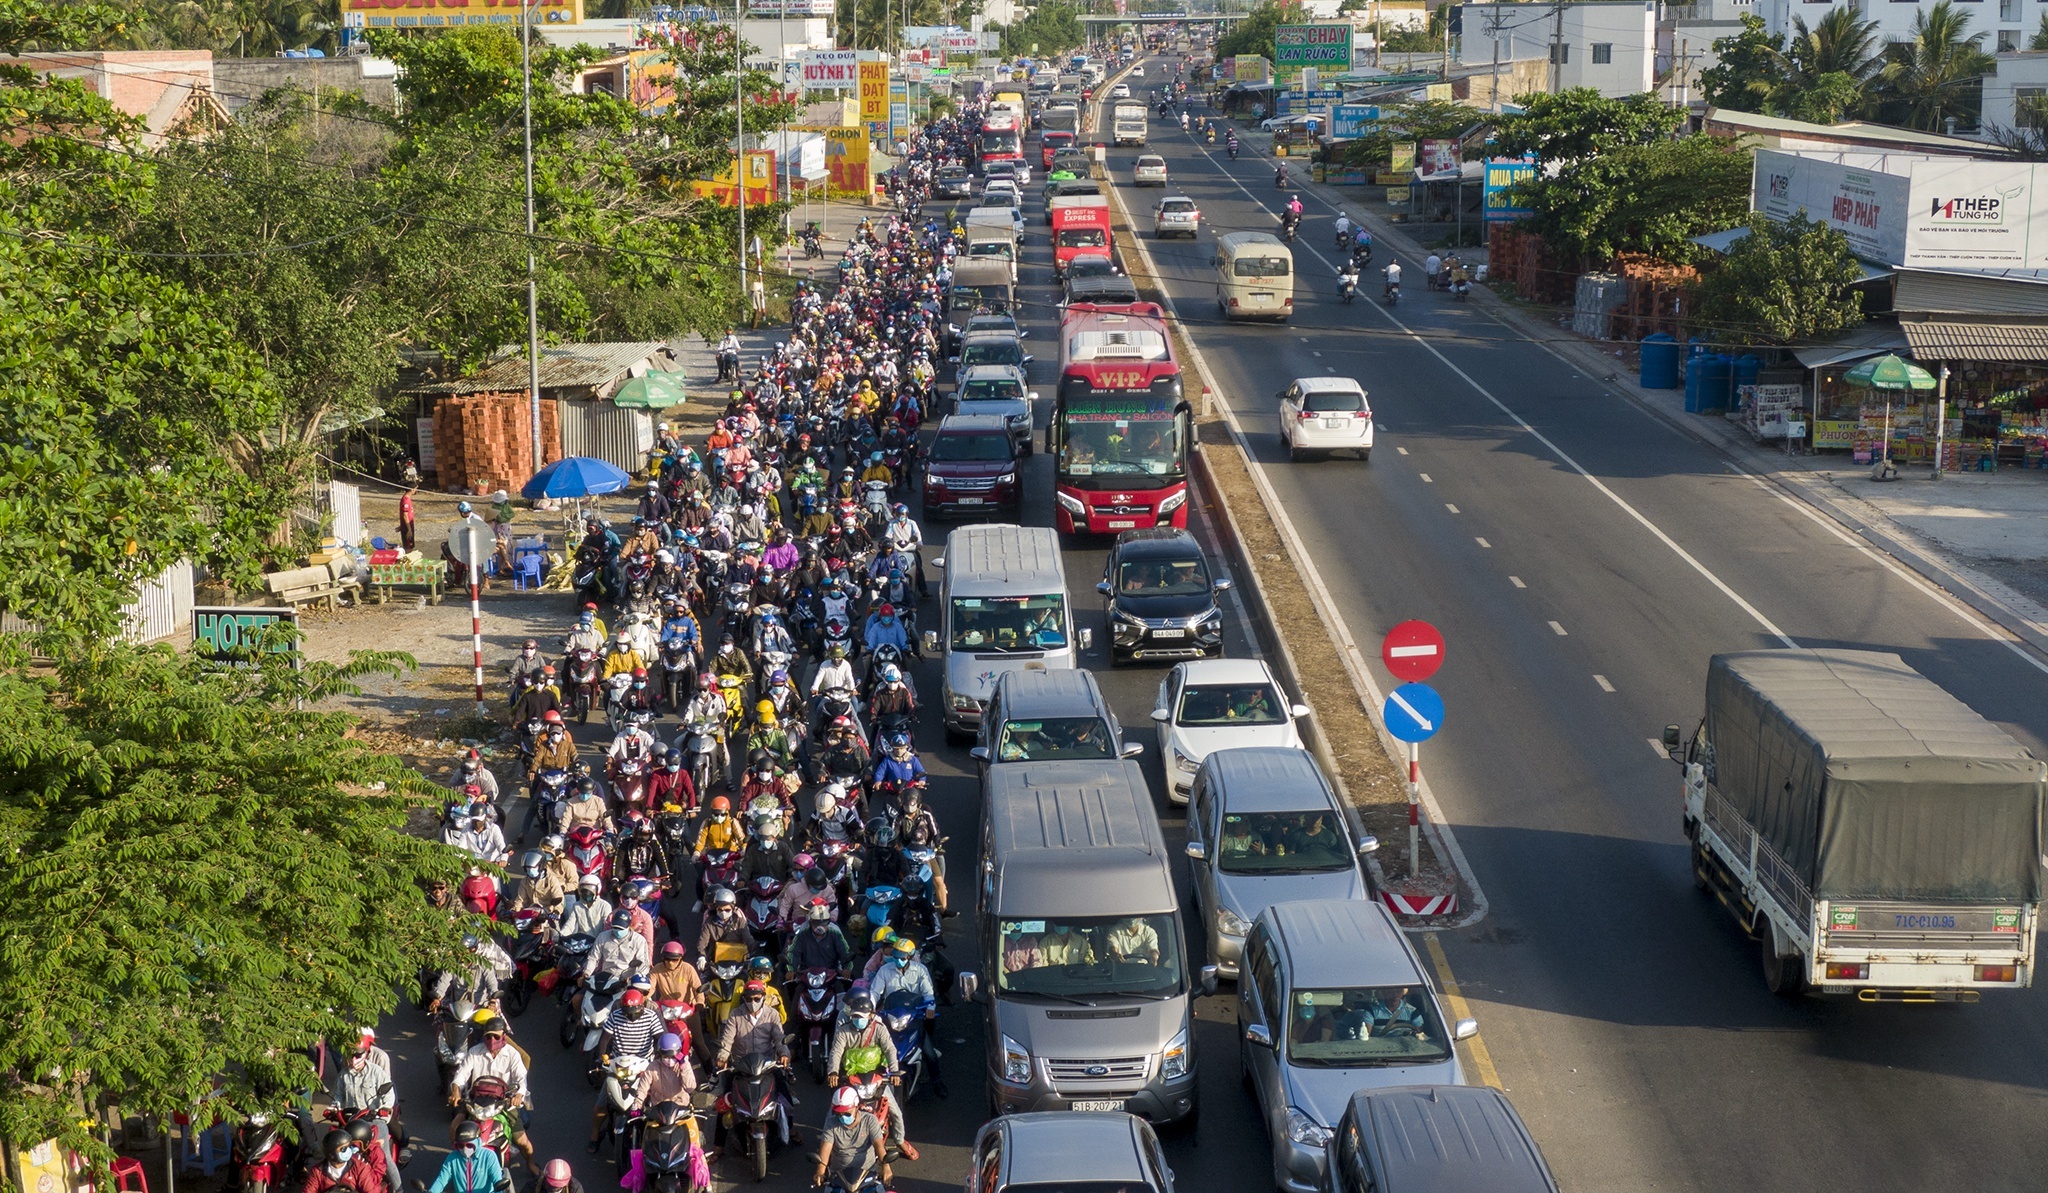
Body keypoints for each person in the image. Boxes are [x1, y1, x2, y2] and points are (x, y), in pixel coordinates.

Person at [825, 992, 917, 1160]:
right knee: (834, 1111)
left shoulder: (879, 1029)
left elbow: (890, 1049)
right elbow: (836, 1052)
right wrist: (833, 1072)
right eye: (854, 1016)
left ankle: (900, 1140)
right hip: (851, 1079)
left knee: (895, 1111)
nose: (857, 1019)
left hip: (876, 1079)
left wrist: (894, 1071)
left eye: (860, 1016)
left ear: (871, 1015)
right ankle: (827, 1146)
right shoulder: (843, 1031)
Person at [811, 1086, 890, 1192]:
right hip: (839, 1177)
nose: (842, 1117)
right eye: (839, 1114)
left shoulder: (870, 1120)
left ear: (857, 1107)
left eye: (847, 1113)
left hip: (867, 1176)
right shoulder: (831, 1123)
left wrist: (886, 1167)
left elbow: (879, 1145)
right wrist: (820, 1171)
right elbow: (826, 1148)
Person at [714, 979, 790, 1069]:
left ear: (763, 998)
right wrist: (722, 1057)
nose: (753, 1003)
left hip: (766, 1064)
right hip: (740, 1064)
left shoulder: (772, 1014)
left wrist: (784, 1053)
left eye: (757, 999)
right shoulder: (735, 1014)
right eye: (749, 999)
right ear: (744, 999)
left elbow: (779, 1037)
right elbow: (727, 1039)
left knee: (784, 1081)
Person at [425, 1123, 504, 1193]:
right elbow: (441, 1180)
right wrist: (432, 1191)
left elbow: (498, 1182)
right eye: (461, 1146)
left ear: (477, 1141)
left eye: (469, 1145)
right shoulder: (452, 1158)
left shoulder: (489, 1156)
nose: (465, 1149)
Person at [299, 1129, 381, 1193]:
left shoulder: (359, 1167)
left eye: (349, 1146)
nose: (349, 1150)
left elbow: (370, 1190)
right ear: (332, 1153)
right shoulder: (317, 1171)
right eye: (343, 1149)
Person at [398, 487, 418, 554]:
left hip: (409, 525)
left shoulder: (408, 499)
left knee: (411, 545)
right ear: (411, 489)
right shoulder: (406, 500)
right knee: (408, 547)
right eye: (415, 488)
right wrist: (409, 529)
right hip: (407, 527)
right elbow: (405, 515)